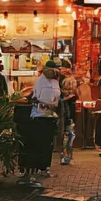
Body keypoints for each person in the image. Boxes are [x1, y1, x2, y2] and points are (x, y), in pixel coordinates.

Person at [20, 60, 61, 188]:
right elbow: (36, 99)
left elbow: (57, 99)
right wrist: (46, 105)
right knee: (38, 145)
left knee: (47, 144)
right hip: (39, 116)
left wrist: (53, 105)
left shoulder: (55, 82)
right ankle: (33, 171)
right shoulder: (39, 81)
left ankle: (44, 168)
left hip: (50, 117)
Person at [59, 60, 78, 165]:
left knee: (68, 133)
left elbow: (69, 93)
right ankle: (67, 155)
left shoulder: (67, 80)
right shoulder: (70, 79)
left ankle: (66, 156)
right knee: (69, 133)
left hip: (67, 110)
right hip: (68, 110)